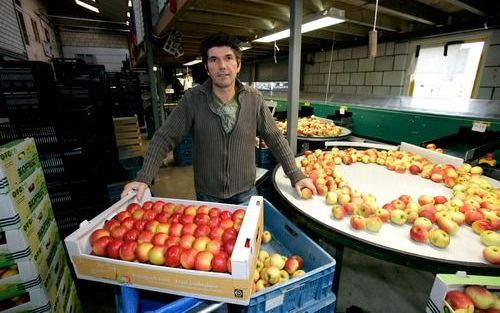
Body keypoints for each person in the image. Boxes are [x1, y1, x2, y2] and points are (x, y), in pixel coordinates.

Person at [121, 32, 316, 204]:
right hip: (208, 195)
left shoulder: (254, 99)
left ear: (238, 65)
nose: (222, 66)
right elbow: (165, 137)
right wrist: (144, 177)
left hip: (246, 193)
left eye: (228, 58)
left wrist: (295, 174)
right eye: (214, 60)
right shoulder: (193, 100)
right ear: (207, 67)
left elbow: (275, 138)